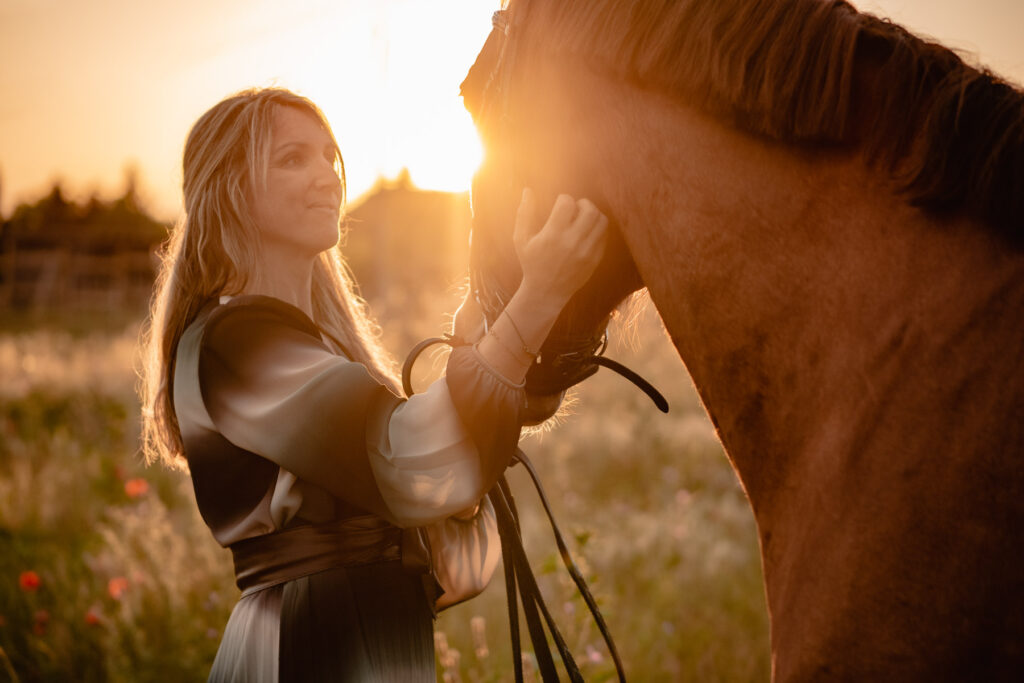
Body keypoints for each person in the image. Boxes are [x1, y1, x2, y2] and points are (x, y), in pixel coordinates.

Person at [139, 87, 608, 681]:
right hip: (309, 647)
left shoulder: (313, 346)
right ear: (231, 190)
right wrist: (537, 300)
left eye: (329, 157)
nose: (327, 177)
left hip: (379, 638)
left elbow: (444, 511)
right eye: (292, 159)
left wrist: (498, 349)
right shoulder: (236, 339)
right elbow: (410, 462)